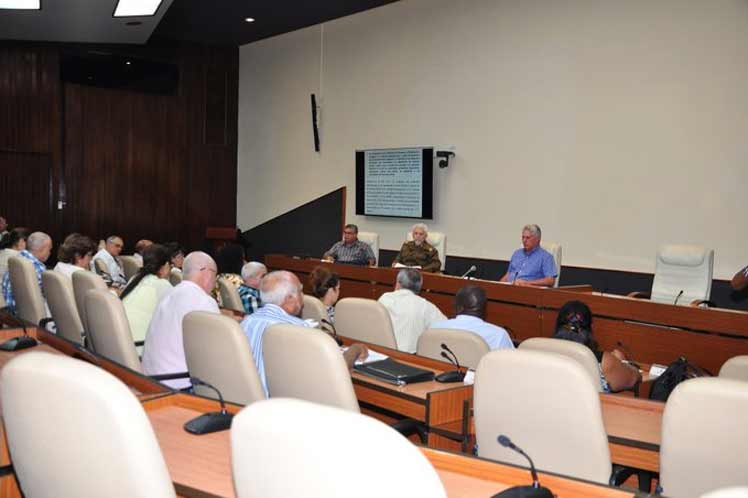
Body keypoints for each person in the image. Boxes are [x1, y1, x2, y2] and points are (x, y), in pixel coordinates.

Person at [240, 270, 368, 396]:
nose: (303, 296)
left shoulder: (247, 322)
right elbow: (336, 372)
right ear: (290, 298)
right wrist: (356, 349)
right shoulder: (298, 331)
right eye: (300, 291)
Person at [141, 251, 220, 389]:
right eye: (215, 276)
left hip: (149, 377)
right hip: (177, 384)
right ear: (207, 272)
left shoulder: (169, 292)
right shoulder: (204, 301)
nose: (214, 282)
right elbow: (216, 353)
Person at [553, 300, 640, 393]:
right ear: (591, 327)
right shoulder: (604, 362)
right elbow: (634, 379)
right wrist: (623, 362)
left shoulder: (540, 353)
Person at [378, 268, 447, 353]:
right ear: (419, 287)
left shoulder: (385, 298)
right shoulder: (425, 306)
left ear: (398, 284)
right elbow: (445, 327)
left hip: (382, 353)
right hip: (409, 358)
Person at [430, 285, 515, 350]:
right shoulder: (499, 335)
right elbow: (510, 367)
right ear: (484, 309)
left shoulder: (435, 328)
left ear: (458, 307)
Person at [121, 244, 174, 347]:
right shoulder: (162, 285)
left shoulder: (135, 278)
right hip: (139, 347)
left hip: (123, 345)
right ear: (166, 265)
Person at [2, 231, 53, 314]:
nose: (50, 253)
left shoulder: (17, 258)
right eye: (49, 249)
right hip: (27, 319)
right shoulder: (38, 268)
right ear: (41, 249)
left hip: (10, 313)